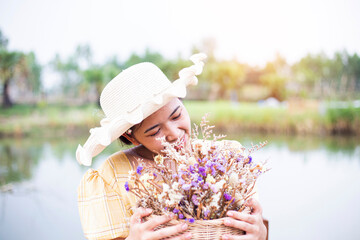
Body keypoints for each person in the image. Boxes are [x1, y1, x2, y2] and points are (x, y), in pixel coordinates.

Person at [76, 53, 267, 240]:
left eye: (176, 116)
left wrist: (261, 235)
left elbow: (254, 224)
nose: (174, 133)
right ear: (131, 137)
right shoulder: (112, 176)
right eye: (154, 131)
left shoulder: (228, 156)